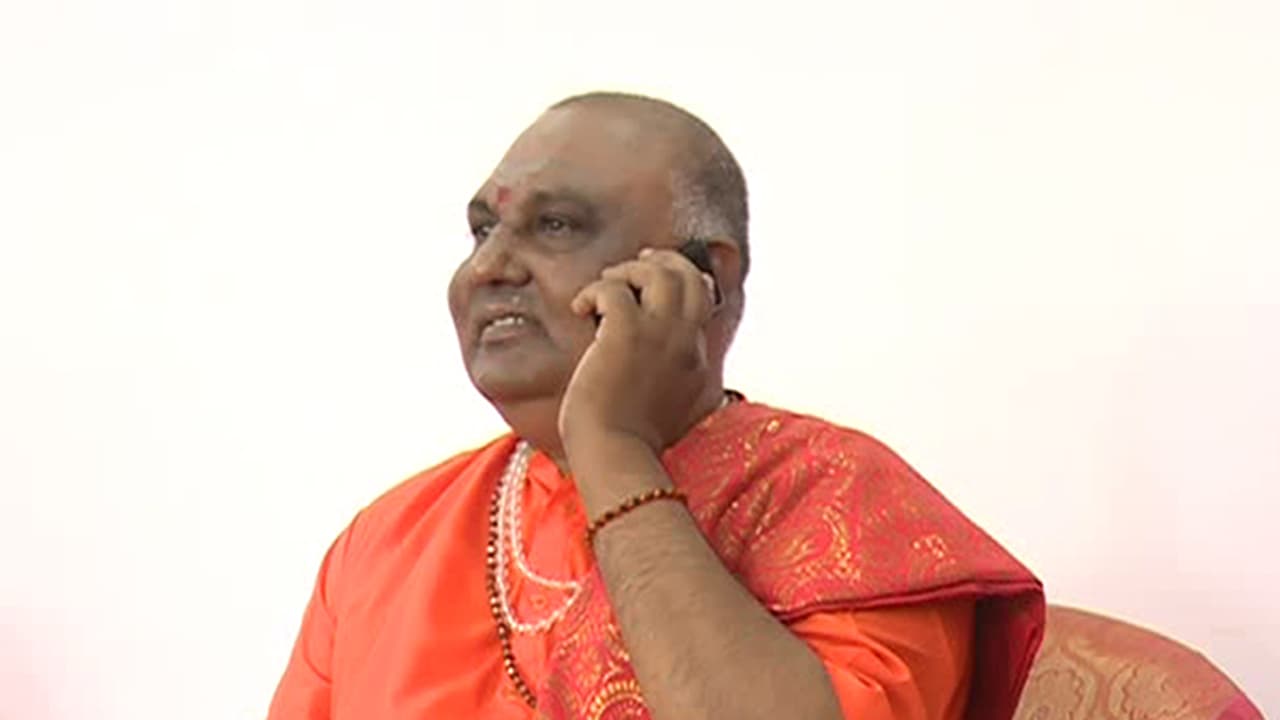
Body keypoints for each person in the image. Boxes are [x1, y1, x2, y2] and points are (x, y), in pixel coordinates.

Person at [267, 91, 1045, 720]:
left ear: (709, 278)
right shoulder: (386, 542)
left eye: (555, 226)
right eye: (481, 231)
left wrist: (610, 446)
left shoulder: (847, 508)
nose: (489, 267)